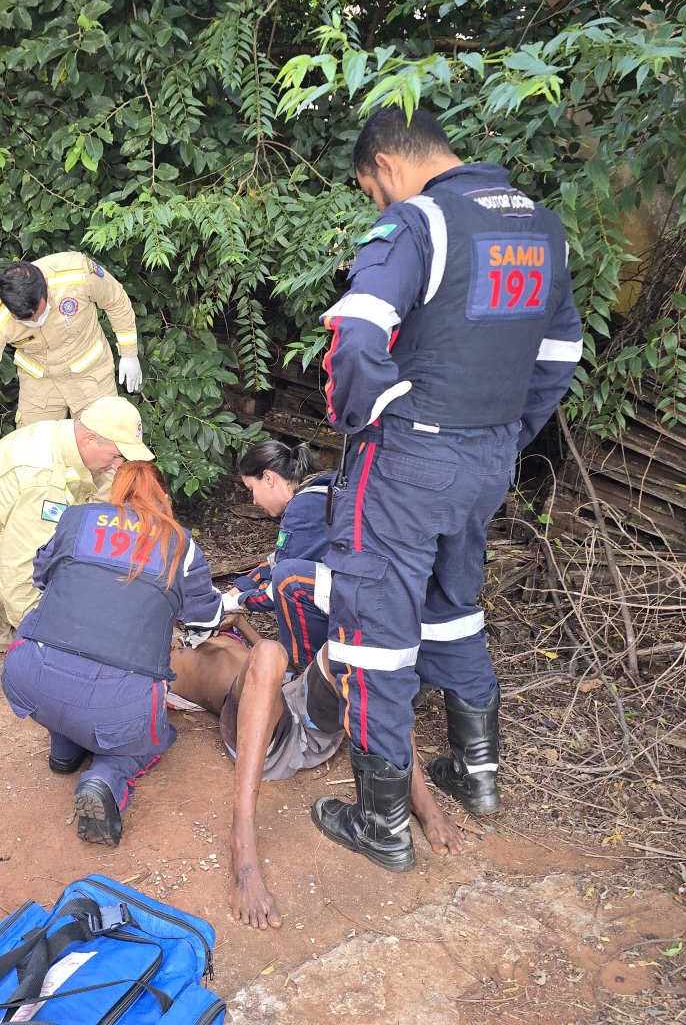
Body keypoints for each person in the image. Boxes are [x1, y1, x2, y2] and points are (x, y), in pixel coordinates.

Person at [307, 107, 583, 870]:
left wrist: (372, 420)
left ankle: (384, 825)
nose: (377, 205)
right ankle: (477, 773)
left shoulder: (419, 225)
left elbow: (357, 335)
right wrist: (505, 435)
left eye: (371, 190)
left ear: (385, 165)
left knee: (372, 630)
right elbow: (561, 351)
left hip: (405, 461)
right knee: (452, 607)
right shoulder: (543, 227)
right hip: (487, 460)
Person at [169, 616, 465, 929]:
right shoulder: (155, 656)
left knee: (360, 645)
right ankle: (242, 843)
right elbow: (260, 668)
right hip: (263, 739)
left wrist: (240, 622)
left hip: (297, 705)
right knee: (269, 652)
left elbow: (272, 672)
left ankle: (419, 796)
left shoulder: (209, 624)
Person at [0, 461, 224, 846]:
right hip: (119, 704)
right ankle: (106, 777)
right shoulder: (179, 543)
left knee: (57, 659)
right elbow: (207, 622)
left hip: (27, 677)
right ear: (164, 498)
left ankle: (65, 750)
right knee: (154, 737)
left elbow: (41, 577)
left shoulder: (76, 519)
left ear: (114, 492)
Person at [0, 396, 153, 652]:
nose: (117, 465)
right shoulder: (42, 478)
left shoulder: (57, 435)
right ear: (89, 439)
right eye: (115, 455)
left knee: (72, 548)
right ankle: (15, 623)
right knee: (63, 563)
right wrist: (45, 644)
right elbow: (21, 568)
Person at [0, 253, 142, 471]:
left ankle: (103, 506)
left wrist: (129, 353)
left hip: (92, 375)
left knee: (105, 455)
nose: (35, 322)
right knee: (34, 461)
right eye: (26, 321)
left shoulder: (76, 273)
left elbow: (117, 301)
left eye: (39, 314)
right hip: (40, 385)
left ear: (46, 285)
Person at [222, 440, 333, 669]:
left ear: (269, 478)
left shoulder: (304, 508)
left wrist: (237, 603)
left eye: (252, 489)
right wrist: (236, 589)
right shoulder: (319, 493)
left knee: (289, 583)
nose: (253, 500)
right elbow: (278, 558)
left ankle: (309, 672)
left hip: (363, 601)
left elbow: (278, 586)